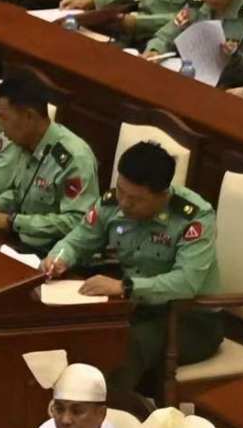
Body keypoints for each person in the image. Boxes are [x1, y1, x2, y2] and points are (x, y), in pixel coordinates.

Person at [46, 142, 222, 401]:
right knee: (79, 330)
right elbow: (77, 240)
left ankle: (106, 420)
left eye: (136, 199)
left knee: (124, 345)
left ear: (163, 195)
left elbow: (186, 283)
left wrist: (125, 287)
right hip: (134, 307)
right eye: (121, 191)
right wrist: (58, 258)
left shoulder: (193, 217)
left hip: (190, 318)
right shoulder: (112, 202)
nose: (124, 203)